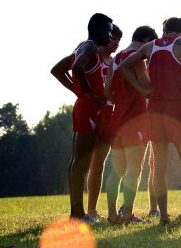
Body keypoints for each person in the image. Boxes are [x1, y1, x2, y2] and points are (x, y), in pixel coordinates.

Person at [118, 17, 181, 227]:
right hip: (178, 109)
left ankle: (164, 217)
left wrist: (143, 89)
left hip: (155, 110)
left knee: (159, 167)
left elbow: (122, 66)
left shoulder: (150, 46)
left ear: (164, 30)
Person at [50, 13, 113, 223]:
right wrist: (86, 93)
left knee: (80, 161)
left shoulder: (82, 47)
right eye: (108, 30)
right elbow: (75, 68)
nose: (110, 34)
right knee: (80, 162)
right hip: (88, 109)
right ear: (98, 30)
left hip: (87, 107)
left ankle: (77, 212)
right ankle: (77, 214)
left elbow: (58, 70)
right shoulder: (90, 47)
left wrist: (78, 92)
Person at [104, 26, 158, 224]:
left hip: (117, 118)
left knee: (117, 169)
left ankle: (111, 214)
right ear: (146, 40)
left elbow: (108, 91)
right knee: (134, 170)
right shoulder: (137, 58)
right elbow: (146, 86)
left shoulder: (115, 58)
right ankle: (127, 214)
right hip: (135, 120)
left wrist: (121, 99)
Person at [87, 24, 123, 220]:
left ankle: (93, 210)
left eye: (119, 39)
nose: (116, 42)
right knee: (85, 163)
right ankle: (84, 210)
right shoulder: (92, 55)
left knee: (99, 163)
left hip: (110, 113)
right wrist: (83, 94)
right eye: (113, 38)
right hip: (92, 112)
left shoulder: (115, 61)